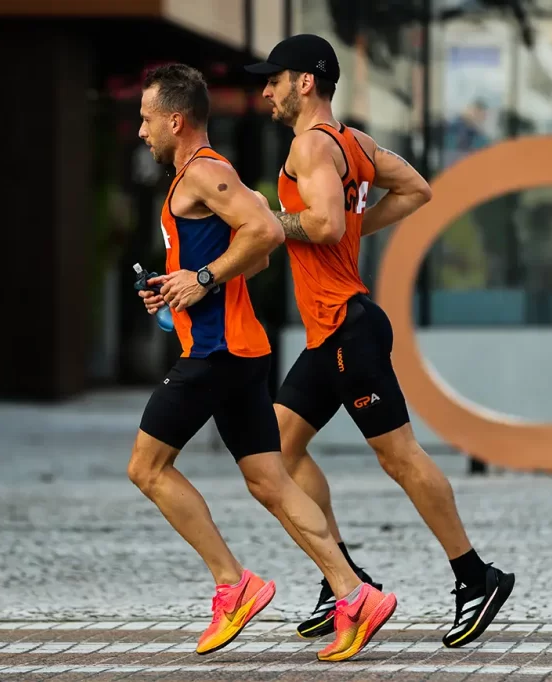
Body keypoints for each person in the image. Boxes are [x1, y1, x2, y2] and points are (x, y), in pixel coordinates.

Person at [245, 36, 515, 649]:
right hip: (331, 331)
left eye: (275, 79)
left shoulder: (311, 146)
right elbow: (417, 188)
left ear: (305, 82)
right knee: (278, 451)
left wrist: (267, 223)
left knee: (400, 457)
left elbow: (324, 223)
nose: (266, 91)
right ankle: (343, 580)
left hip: (348, 327)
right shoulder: (356, 144)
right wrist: (350, 227)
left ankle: (475, 576)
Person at [129, 63, 397, 662]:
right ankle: (354, 593)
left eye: (147, 119)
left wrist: (201, 279)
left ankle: (234, 584)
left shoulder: (206, 172)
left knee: (147, 468)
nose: (141, 131)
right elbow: (253, 255)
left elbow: (266, 234)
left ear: (176, 120)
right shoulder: (196, 178)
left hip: (216, 354)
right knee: (270, 481)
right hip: (235, 351)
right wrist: (177, 286)